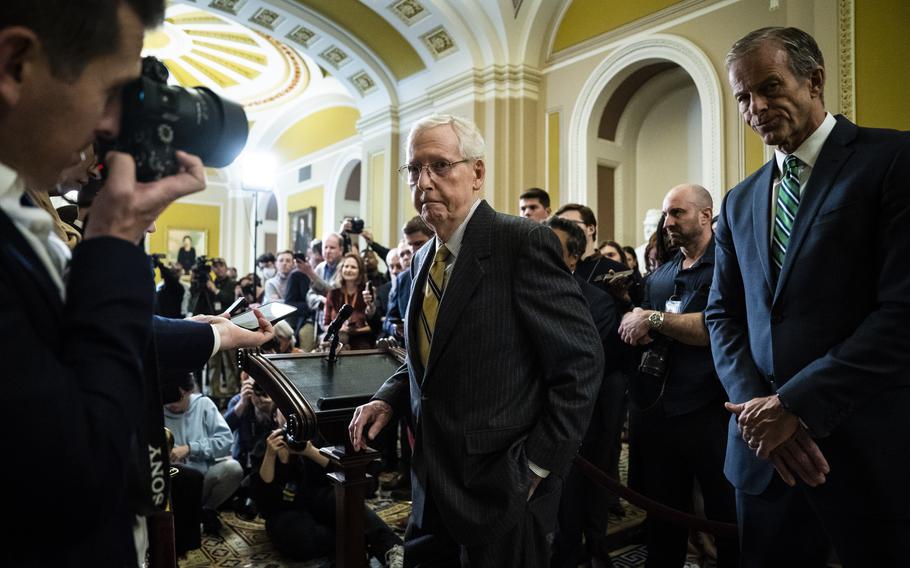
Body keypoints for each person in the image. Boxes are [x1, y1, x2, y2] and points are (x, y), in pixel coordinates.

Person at [349, 114, 603, 567]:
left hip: (502, 489)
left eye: (440, 166)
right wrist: (390, 397)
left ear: (478, 173)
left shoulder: (521, 241)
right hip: (431, 482)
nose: (423, 182)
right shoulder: (425, 256)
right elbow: (435, 354)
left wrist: (537, 467)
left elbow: (580, 363)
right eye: (413, 170)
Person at [705, 27, 910, 567]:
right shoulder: (737, 201)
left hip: (864, 448)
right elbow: (722, 314)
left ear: (814, 79)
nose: (756, 108)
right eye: (743, 97)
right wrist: (760, 413)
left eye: (770, 87)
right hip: (762, 458)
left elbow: (901, 312)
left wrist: (795, 404)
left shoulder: (892, 159)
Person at [618, 184, 738, 567]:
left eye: (677, 213)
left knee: (725, 512)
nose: (667, 222)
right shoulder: (661, 275)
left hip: (712, 409)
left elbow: (713, 329)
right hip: (662, 411)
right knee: (663, 512)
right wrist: (636, 322)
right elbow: (647, 326)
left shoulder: (729, 264)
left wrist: (652, 318)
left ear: (706, 215)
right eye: (667, 214)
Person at [164, 373, 244, 535]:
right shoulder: (157, 411)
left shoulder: (203, 404)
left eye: (178, 398)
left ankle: (205, 510)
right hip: (172, 483)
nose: (172, 404)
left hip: (202, 480)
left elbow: (225, 441)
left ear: (189, 391)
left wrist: (190, 448)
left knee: (233, 468)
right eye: (168, 399)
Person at [323, 251, 375, 350]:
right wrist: (337, 328)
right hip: (337, 340)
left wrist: (354, 331)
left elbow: (374, 325)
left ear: (360, 271)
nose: (348, 270)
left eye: (353, 267)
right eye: (346, 266)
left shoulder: (367, 293)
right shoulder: (333, 293)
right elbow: (326, 323)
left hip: (361, 341)